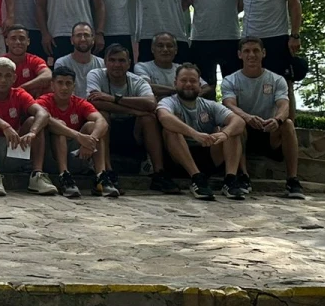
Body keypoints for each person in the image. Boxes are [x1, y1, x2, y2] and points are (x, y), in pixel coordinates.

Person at [86, 44, 177, 194]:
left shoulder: (137, 81)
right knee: (101, 114)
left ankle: (159, 173)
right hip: (108, 126)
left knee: (149, 118)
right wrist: (134, 110)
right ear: (105, 62)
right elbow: (94, 101)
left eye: (121, 61)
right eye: (112, 60)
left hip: (133, 129)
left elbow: (150, 103)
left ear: (129, 63)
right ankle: (106, 172)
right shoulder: (95, 74)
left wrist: (113, 98)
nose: (117, 65)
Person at [220, 37, 304, 199]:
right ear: (239, 55)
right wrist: (247, 117)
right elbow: (228, 104)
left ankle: (292, 180)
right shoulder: (230, 80)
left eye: (256, 51)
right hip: (244, 132)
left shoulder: (277, 80)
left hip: (269, 130)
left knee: (287, 124)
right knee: (235, 123)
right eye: (247, 51)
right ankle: (242, 176)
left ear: (263, 53)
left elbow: (284, 105)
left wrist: (277, 120)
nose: (251, 55)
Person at [157, 63, 247, 200]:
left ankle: (230, 180)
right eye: (184, 80)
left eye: (193, 81)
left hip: (209, 154)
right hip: (180, 158)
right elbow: (164, 117)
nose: (188, 84)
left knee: (232, 131)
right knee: (170, 130)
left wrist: (224, 133)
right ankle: (196, 178)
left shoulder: (210, 105)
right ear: (175, 83)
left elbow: (239, 121)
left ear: (199, 85)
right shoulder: (168, 102)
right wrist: (195, 134)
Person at [0, 57, 54, 197]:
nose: (3, 80)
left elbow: (43, 113)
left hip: (14, 148)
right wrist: (4, 125)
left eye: (8, 75)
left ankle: (37, 175)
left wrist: (33, 132)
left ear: (14, 78)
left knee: (34, 121)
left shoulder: (19, 94)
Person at [34, 67, 111, 198]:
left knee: (93, 126)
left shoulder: (80, 103)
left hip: (80, 155)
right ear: (52, 85)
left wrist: (90, 140)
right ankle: (64, 176)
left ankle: (101, 177)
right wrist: (78, 136)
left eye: (68, 83)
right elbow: (47, 121)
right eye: (60, 83)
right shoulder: (43, 101)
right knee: (59, 126)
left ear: (74, 86)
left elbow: (102, 121)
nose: (64, 87)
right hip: (51, 157)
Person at [134, 33, 212, 99]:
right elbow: (146, 87)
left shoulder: (182, 69)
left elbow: (207, 88)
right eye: (160, 46)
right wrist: (181, 91)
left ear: (176, 50)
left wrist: (191, 97)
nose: (165, 49)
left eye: (169, 46)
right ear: (152, 49)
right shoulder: (142, 67)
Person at [54, 22, 105, 98]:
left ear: (93, 39)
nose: (83, 39)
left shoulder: (102, 63)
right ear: (71, 40)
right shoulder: (61, 63)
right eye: (78, 35)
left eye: (86, 35)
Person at [2, 26, 52, 97]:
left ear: (28, 41)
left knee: (50, 86)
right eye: (13, 38)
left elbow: (48, 75)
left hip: (28, 99)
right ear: (6, 42)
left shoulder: (34, 60)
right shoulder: (0, 62)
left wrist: (23, 88)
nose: (18, 42)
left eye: (22, 39)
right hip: (5, 99)